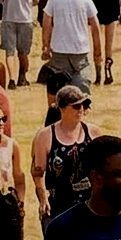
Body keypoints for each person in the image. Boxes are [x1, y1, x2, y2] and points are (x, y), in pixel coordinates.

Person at [35, 85, 98, 220]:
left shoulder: (94, 132)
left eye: (84, 104)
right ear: (62, 108)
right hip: (58, 206)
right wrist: (43, 198)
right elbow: (38, 173)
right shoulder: (45, 136)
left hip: (90, 204)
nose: (81, 109)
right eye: (76, 106)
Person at [42, 0, 98, 95]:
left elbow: (46, 24)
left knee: (59, 87)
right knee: (81, 86)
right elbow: (95, 26)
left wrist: (45, 46)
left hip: (59, 49)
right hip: (80, 49)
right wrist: (97, 51)